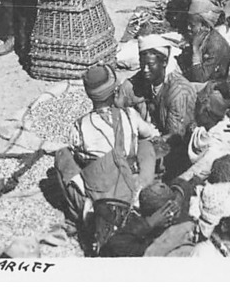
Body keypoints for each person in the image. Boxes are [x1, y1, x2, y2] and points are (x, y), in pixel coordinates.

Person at [54, 63, 161, 246]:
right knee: (145, 143)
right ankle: (141, 191)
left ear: (89, 94)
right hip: (131, 186)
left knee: (62, 155)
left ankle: (82, 210)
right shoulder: (130, 115)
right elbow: (151, 134)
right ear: (114, 89)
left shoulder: (79, 127)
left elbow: (78, 156)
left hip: (101, 195)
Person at [117, 35, 197, 157]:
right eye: (142, 64)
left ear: (164, 62)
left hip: (177, 149)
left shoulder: (178, 92)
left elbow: (175, 138)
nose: (145, 69)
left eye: (150, 65)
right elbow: (121, 102)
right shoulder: (144, 78)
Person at [183, 0, 230, 84]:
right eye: (187, 24)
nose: (188, 27)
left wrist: (195, 49)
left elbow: (200, 78)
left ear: (204, 26)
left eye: (192, 25)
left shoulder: (215, 45)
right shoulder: (201, 37)